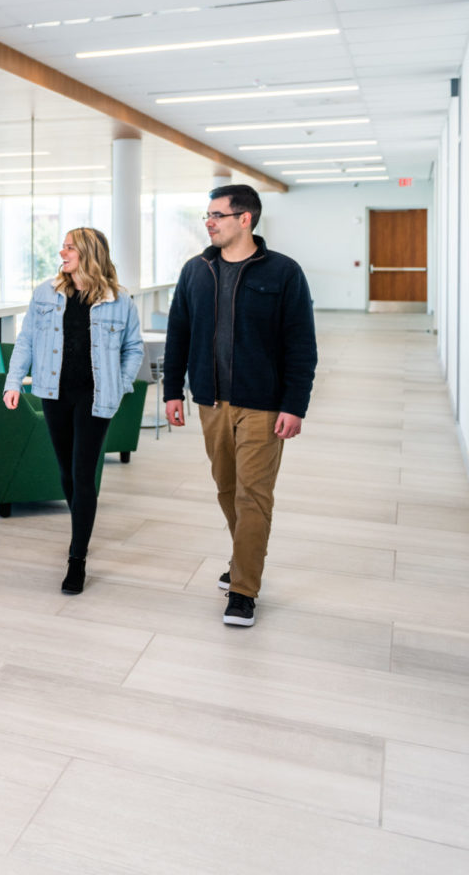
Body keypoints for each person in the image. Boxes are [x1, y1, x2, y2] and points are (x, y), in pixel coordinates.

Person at [163, 185, 316, 627]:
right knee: (227, 489)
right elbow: (179, 335)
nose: (208, 222)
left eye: (217, 215)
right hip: (212, 401)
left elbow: (301, 345)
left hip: (264, 404)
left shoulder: (284, 272)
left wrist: (295, 404)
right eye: (207, 215)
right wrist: (174, 390)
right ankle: (243, 557)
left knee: (253, 495)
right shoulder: (195, 271)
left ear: (245, 219)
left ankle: (244, 589)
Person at [3, 227, 144, 595]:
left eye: (68, 247)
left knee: (83, 474)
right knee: (66, 472)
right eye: (63, 246)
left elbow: (134, 349)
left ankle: (77, 558)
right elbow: (27, 340)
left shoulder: (119, 300)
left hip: (96, 399)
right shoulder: (46, 294)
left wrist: (121, 382)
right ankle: (81, 523)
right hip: (54, 393)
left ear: (88, 253)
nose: (61, 252)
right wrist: (13, 381)